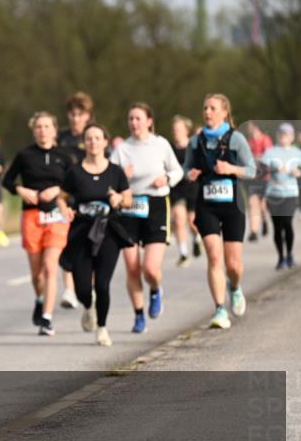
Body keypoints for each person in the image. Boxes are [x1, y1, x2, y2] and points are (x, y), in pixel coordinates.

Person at [182, 93, 256, 330]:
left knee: (233, 264)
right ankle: (219, 309)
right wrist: (190, 175)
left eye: (213, 108)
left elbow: (252, 170)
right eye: (205, 108)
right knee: (214, 257)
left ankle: (234, 288)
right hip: (207, 204)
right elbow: (186, 169)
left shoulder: (236, 139)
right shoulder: (196, 141)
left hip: (233, 204)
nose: (207, 112)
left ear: (225, 112)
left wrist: (231, 168)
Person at [111, 104, 183, 333]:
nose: (134, 123)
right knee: (132, 268)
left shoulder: (160, 144)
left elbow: (178, 171)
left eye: (138, 118)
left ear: (149, 121)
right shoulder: (122, 149)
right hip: (129, 207)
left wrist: (167, 179)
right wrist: (122, 177)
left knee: (150, 268)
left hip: (156, 205)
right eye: (130, 119)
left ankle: (155, 290)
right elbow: (108, 179)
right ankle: (139, 315)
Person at [59, 124, 133, 346]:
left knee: (102, 284)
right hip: (82, 232)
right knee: (83, 287)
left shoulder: (115, 172)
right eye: (89, 139)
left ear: (105, 142)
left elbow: (129, 199)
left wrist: (119, 200)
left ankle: (102, 327)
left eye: (97, 138)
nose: (93, 142)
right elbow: (62, 196)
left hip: (108, 231)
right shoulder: (74, 172)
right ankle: (88, 306)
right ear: (85, 142)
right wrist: (64, 207)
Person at [2, 111, 73, 336]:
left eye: (47, 126)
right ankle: (40, 298)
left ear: (54, 130)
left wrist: (59, 190)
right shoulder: (25, 155)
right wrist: (21, 190)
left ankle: (47, 318)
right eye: (38, 127)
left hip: (56, 216)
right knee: (37, 273)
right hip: (31, 215)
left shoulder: (64, 156)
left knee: (51, 266)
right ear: (34, 131)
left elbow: (76, 185)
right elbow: (7, 181)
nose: (43, 131)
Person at [56, 91, 97, 310]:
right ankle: (69, 289)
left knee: (89, 246)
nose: (75, 118)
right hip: (66, 198)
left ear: (87, 116)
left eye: (79, 114)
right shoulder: (60, 138)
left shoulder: (93, 137)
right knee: (66, 242)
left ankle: (88, 286)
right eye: (72, 114)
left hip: (90, 199)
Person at [261, 123, 301, 269]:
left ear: (291, 137)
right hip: (273, 194)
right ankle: (281, 258)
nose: (283, 136)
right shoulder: (270, 152)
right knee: (277, 227)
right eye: (281, 133)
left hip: (290, 194)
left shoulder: (297, 152)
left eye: (286, 134)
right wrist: (274, 167)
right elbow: (262, 167)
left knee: (287, 223)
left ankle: (290, 254)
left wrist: (299, 172)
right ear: (278, 135)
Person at [169, 115, 201, 267]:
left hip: (192, 187)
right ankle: (183, 253)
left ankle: (197, 238)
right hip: (176, 188)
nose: (176, 132)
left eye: (179, 129)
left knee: (192, 221)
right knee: (179, 220)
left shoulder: (194, 147)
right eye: (174, 129)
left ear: (186, 130)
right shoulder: (169, 149)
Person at [245, 121, 274, 242]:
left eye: (251, 127)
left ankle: (264, 221)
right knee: (252, 203)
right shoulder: (248, 141)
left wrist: (256, 157)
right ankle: (254, 231)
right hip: (253, 177)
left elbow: (269, 156)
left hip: (265, 177)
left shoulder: (265, 139)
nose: (250, 130)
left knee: (262, 204)